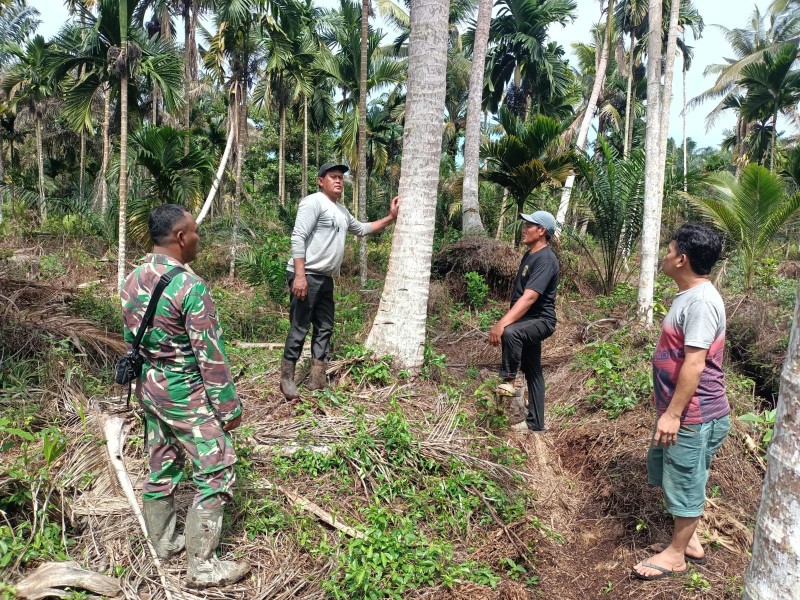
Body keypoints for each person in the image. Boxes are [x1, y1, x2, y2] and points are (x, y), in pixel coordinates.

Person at [121, 204, 249, 589]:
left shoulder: (131, 278)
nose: (198, 237)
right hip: (184, 391)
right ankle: (204, 567)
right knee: (219, 467)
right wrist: (228, 408)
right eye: (194, 231)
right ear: (179, 237)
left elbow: (133, 340)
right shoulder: (190, 287)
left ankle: (163, 542)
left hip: (148, 387)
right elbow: (210, 357)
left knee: (161, 462)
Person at [632, 223, 730, 581]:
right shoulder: (690, 296)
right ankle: (689, 538)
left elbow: (695, 362)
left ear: (682, 259)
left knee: (687, 479)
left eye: (669, 250)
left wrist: (673, 414)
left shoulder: (702, 302)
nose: (665, 255)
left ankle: (676, 554)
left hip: (693, 414)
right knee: (672, 475)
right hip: (684, 412)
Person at [280, 162, 400, 400]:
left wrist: (391, 217)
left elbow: (364, 229)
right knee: (300, 326)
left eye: (341, 178)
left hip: (325, 279)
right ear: (320, 181)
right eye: (333, 177)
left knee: (324, 327)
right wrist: (300, 276)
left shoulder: (341, 211)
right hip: (306, 275)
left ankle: (317, 380)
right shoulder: (313, 202)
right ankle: (287, 379)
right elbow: (298, 236)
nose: (338, 181)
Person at [488, 211, 559, 433]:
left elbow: (529, 297)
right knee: (533, 370)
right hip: (528, 321)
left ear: (541, 231)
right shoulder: (529, 255)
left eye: (529, 225)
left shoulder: (546, 259)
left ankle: (508, 380)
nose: (524, 228)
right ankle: (536, 424)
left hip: (541, 320)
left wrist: (502, 323)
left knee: (511, 333)